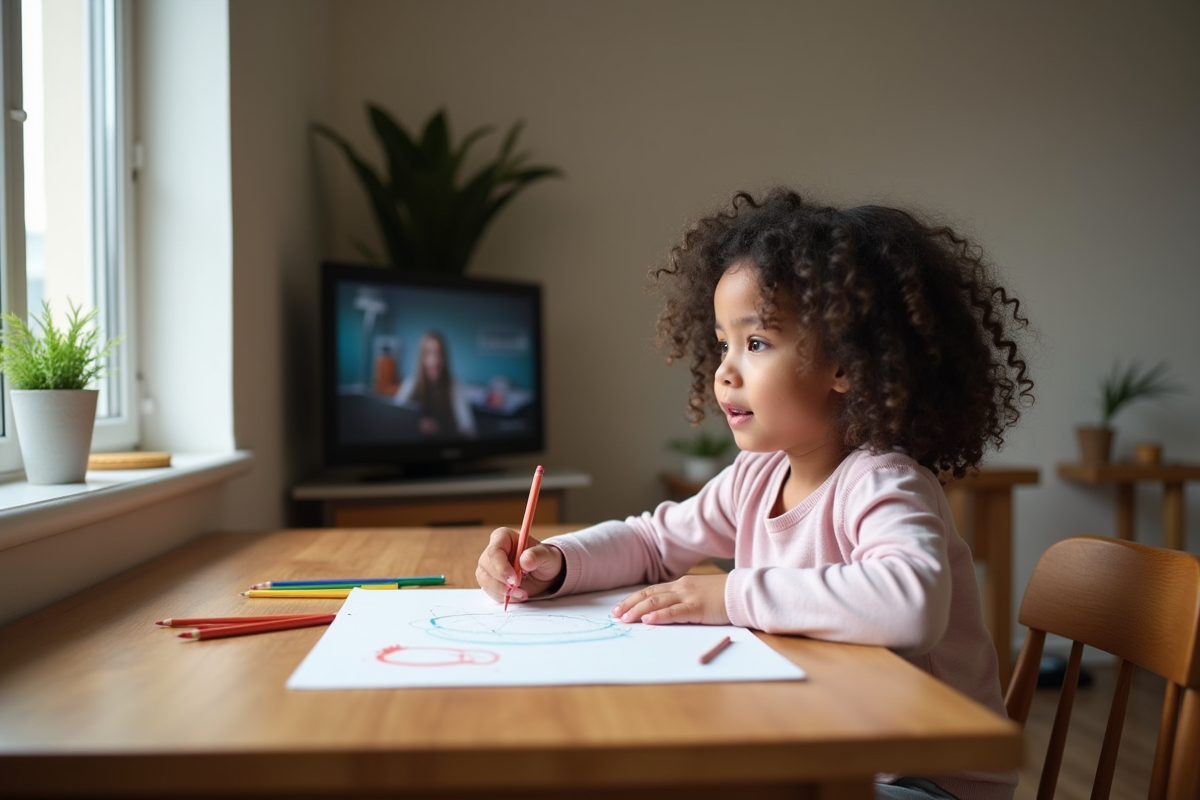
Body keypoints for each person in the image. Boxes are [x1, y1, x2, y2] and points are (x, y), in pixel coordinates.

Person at [476, 188, 1034, 800]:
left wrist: (730, 594)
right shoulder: (758, 475)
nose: (724, 370)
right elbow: (654, 541)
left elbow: (912, 604)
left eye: (757, 343)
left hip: (921, 781)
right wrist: (555, 563)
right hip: (826, 756)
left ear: (846, 365)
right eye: (723, 343)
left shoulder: (882, 480)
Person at [395, 330, 476, 437]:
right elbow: (394, 420)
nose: (434, 361)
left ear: (445, 358)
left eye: (439, 354)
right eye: (428, 353)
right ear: (421, 358)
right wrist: (416, 425)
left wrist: (440, 429)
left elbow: (469, 429)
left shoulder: (454, 386)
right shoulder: (411, 383)